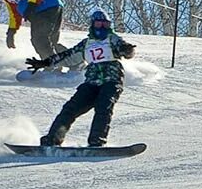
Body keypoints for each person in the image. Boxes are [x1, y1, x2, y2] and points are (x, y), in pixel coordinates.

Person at [26, 10, 135, 147]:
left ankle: (97, 141)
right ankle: (53, 139)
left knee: (103, 108)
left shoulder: (112, 39)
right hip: (91, 82)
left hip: (111, 80)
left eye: (105, 25)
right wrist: (46, 62)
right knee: (70, 109)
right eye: (99, 24)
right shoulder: (86, 44)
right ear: (92, 25)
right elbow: (68, 56)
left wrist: (128, 50)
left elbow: (125, 49)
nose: (102, 28)